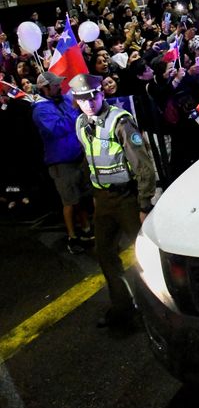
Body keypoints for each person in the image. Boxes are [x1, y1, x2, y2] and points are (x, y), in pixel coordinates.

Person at [70, 73, 157, 329]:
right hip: (104, 199)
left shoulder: (120, 121)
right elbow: (90, 161)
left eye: (92, 96)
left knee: (145, 254)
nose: (88, 102)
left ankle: (156, 308)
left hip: (128, 197)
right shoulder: (80, 124)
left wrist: (144, 204)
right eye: (82, 99)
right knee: (105, 254)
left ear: (101, 94)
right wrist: (95, 197)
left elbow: (143, 165)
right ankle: (122, 307)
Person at [31, 72, 93, 254]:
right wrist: (74, 110)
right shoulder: (40, 110)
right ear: (45, 88)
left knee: (82, 196)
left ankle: (87, 229)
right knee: (70, 201)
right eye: (56, 85)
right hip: (61, 163)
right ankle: (72, 237)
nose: (60, 87)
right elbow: (57, 129)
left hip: (78, 157)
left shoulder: (63, 99)